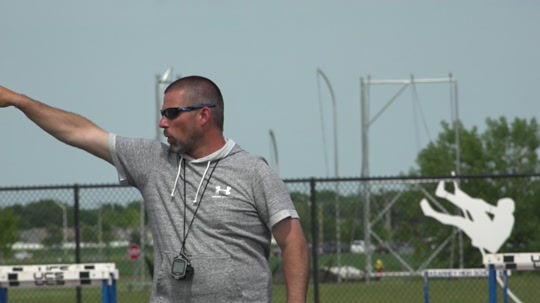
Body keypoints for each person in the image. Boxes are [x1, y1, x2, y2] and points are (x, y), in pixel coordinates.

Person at [0, 76, 309, 303]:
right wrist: (19, 101)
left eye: (171, 113)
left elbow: (293, 242)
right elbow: (79, 132)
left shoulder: (253, 170)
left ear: (204, 115)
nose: (162, 123)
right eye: (163, 113)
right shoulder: (152, 161)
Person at [420, 178, 515, 253]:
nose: (497, 206)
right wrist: (465, 199)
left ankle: (441, 197)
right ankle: (441, 197)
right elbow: (485, 207)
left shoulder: (507, 216)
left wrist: (465, 199)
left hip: (490, 240)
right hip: (487, 234)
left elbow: (488, 208)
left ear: (506, 207)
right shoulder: (502, 214)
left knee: (471, 210)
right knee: (468, 211)